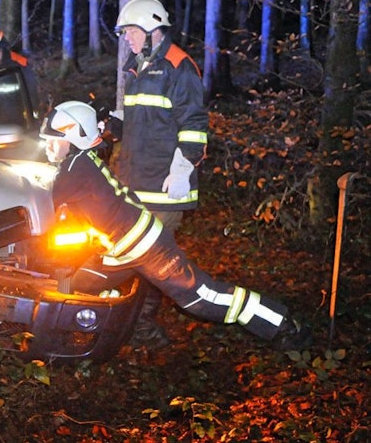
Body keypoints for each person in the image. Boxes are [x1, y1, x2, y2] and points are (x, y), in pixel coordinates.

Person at [39, 101, 311, 352]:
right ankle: (87, 337)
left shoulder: (74, 170)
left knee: (202, 298)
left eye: (53, 141)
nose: (48, 147)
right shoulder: (80, 162)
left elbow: (42, 194)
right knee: (76, 287)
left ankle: (282, 324)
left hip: (146, 248)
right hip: (118, 250)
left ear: (75, 138)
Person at [106, 0, 210, 348]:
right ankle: (132, 327)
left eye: (131, 31)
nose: (127, 38)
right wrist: (110, 126)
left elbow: (194, 125)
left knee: (148, 262)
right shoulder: (138, 68)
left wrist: (182, 169)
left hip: (164, 189)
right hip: (136, 186)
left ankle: (144, 331)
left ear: (152, 30)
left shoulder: (178, 67)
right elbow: (144, 121)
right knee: (138, 259)